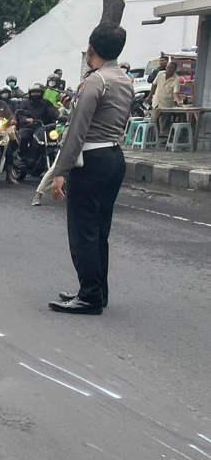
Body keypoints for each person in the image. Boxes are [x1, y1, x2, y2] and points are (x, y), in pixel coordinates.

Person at [47, 22, 133, 315]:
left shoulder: (96, 80)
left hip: (91, 160)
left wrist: (60, 171)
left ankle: (89, 297)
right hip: (113, 156)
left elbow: (77, 129)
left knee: (83, 231)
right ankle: (97, 291)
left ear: (91, 47)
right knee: (99, 230)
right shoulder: (124, 79)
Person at [16, 83, 60, 160]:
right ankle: (23, 157)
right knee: (25, 137)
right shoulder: (25, 103)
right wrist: (26, 119)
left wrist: (60, 117)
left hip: (45, 127)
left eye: (37, 92)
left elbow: (53, 111)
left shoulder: (46, 102)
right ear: (30, 93)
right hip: (29, 127)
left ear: (42, 93)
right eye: (33, 92)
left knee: (55, 138)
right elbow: (20, 114)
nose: (35, 94)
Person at [150, 61, 182, 144]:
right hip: (156, 102)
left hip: (167, 105)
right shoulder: (160, 74)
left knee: (164, 123)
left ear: (175, 70)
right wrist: (149, 96)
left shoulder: (176, 79)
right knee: (153, 122)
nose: (169, 69)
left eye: (171, 68)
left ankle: (164, 141)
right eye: (168, 67)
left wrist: (178, 102)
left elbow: (175, 93)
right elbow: (154, 85)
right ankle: (153, 140)